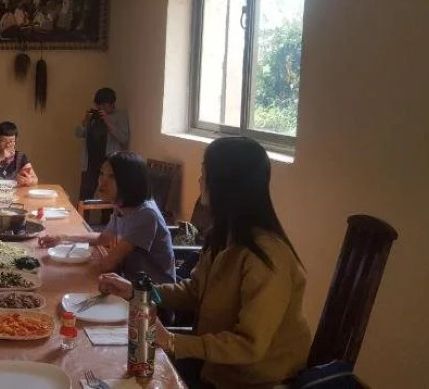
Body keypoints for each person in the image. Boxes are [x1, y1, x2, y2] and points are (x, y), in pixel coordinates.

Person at [98, 137, 312, 389]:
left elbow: (249, 346)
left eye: (204, 174)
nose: (200, 181)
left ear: (226, 184)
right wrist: (137, 292)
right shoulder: (224, 237)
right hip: (212, 366)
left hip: (253, 381)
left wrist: (172, 341)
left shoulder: (267, 257)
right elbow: (193, 292)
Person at [38, 152, 174, 284]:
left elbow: (108, 264)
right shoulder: (121, 205)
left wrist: (70, 264)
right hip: (131, 279)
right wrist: (62, 238)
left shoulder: (145, 215)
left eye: (112, 177)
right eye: (102, 173)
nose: (102, 181)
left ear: (130, 182)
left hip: (154, 289)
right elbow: (103, 238)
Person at [75, 87, 129, 201]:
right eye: (99, 105)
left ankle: (107, 214)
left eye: (104, 105)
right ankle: (82, 213)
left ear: (112, 104)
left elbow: (124, 138)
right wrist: (85, 121)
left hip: (109, 162)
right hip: (90, 162)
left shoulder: (120, 115)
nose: (101, 108)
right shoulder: (93, 115)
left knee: (109, 195)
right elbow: (78, 134)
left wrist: (107, 121)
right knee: (85, 194)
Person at [0, 121, 38, 186]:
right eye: (3, 141)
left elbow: (35, 179)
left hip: (14, 192)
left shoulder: (21, 157)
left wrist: (29, 180)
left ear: (16, 140)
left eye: (11, 141)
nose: (8, 145)